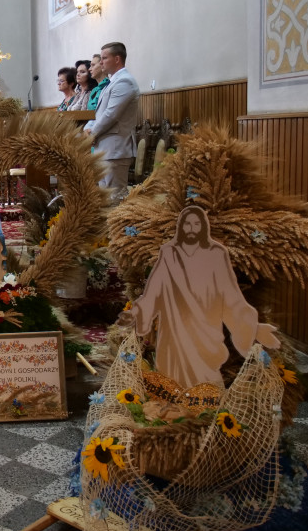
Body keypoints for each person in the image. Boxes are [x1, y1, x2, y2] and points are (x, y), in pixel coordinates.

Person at [131, 206, 281, 388]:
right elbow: (154, 291)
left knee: (207, 382)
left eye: (196, 224)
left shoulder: (216, 254)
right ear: (180, 227)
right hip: (174, 328)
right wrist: (138, 312)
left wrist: (252, 327)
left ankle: (205, 411)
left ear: (203, 226)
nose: (192, 229)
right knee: (171, 380)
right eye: (187, 224)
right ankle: (172, 410)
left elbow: (230, 295)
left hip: (205, 327)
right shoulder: (169, 253)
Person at [87, 41, 141, 191]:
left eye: (104, 58)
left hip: (115, 149)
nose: (101, 62)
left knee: (114, 198)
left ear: (117, 59)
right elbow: (100, 113)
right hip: (105, 149)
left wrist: (92, 134)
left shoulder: (125, 81)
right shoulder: (112, 82)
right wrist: (88, 128)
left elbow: (111, 114)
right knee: (105, 197)